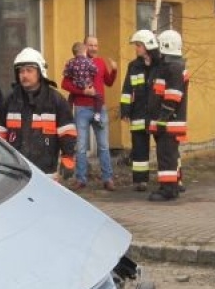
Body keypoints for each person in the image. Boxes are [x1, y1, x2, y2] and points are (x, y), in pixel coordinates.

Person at [0, 47, 76, 177]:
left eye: (29, 71)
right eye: (21, 71)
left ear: (40, 72)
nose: (24, 75)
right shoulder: (9, 101)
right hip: (16, 172)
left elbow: (67, 132)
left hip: (46, 172)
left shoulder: (55, 100)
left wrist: (68, 158)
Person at [61, 35, 117, 191]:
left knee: (104, 146)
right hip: (82, 109)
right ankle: (81, 179)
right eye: (90, 45)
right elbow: (64, 84)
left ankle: (108, 179)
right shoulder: (73, 63)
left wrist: (114, 70)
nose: (94, 48)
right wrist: (83, 90)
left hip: (100, 108)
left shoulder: (99, 63)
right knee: (81, 146)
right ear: (84, 46)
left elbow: (109, 82)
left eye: (96, 45)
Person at [146, 29, 188, 202]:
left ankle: (168, 190)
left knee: (166, 156)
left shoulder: (173, 68)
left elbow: (172, 96)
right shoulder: (170, 66)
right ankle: (172, 186)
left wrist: (162, 118)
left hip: (169, 122)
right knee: (169, 155)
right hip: (168, 122)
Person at [119, 30, 161, 192]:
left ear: (147, 46)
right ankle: (140, 181)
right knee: (139, 147)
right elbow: (127, 90)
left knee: (163, 147)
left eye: (138, 45)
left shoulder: (160, 65)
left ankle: (169, 180)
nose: (136, 49)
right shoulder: (133, 66)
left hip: (157, 113)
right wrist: (125, 110)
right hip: (138, 113)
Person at [63, 41, 102, 127]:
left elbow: (66, 73)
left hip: (76, 85)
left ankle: (69, 114)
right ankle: (97, 116)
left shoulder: (70, 62)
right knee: (99, 97)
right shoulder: (88, 61)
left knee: (71, 97)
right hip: (87, 85)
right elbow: (95, 71)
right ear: (84, 51)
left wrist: (73, 75)